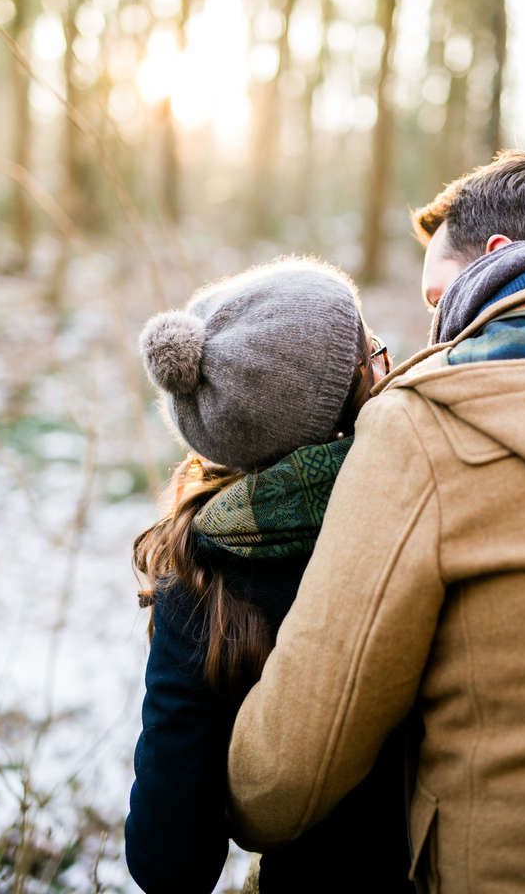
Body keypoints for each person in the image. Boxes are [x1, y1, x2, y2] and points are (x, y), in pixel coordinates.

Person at [227, 151, 525, 893]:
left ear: (497, 257)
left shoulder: (425, 425)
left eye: (438, 300)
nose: (435, 336)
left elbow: (282, 782)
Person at [124, 256, 416, 894]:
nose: (390, 366)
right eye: (374, 353)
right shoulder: (422, 511)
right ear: (347, 400)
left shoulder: (200, 574)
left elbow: (167, 859)